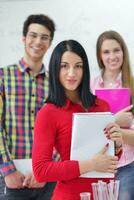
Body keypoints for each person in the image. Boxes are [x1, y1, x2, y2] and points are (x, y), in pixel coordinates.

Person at [32, 39, 119, 200]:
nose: (72, 73)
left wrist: (118, 144)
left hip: (105, 194)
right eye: (64, 66)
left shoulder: (102, 106)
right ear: (55, 69)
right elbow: (40, 171)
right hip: (70, 195)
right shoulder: (48, 113)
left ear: (84, 69)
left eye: (78, 66)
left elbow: (110, 160)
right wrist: (91, 165)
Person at [0, 14, 57, 200]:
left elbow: (63, 132)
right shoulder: (3, 77)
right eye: (33, 35)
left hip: (48, 182)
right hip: (11, 179)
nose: (38, 41)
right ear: (24, 38)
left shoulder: (56, 84)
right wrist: (7, 170)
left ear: (50, 43)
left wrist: (47, 170)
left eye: (44, 37)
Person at [91, 30, 134, 200]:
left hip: (127, 165)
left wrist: (116, 130)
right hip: (98, 164)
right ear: (100, 56)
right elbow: (85, 129)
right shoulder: (91, 85)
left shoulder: (132, 85)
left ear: (123, 51)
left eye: (116, 50)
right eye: (106, 52)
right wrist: (114, 120)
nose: (112, 56)